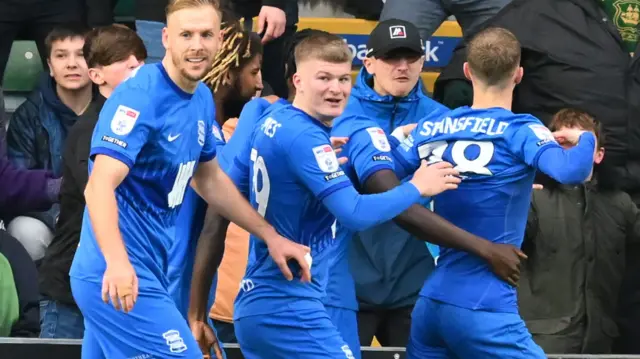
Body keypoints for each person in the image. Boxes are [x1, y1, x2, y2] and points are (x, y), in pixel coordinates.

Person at [69, 1, 310, 358]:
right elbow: (99, 185)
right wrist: (118, 263)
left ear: (219, 41)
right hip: (115, 276)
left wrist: (270, 236)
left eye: (206, 34)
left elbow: (209, 179)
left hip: (148, 272)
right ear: (166, 38)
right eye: (186, 34)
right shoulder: (140, 96)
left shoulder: (198, 98)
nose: (196, 45)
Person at [210, 31, 460, 359]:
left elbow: (230, 185)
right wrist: (418, 187)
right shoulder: (307, 137)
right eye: (324, 78)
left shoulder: (272, 119)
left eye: (343, 79)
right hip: (289, 307)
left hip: (260, 303)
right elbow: (354, 212)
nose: (336, 88)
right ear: (297, 80)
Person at [392, 27, 597, 359]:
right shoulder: (522, 130)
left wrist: (393, 138)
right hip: (484, 308)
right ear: (518, 75)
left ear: (467, 71)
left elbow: (378, 173)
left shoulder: (432, 126)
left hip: (430, 305)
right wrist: (585, 138)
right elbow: (571, 171)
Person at [329, 20, 527, 356]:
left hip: (415, 283)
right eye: (392, 58)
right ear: (370, 62)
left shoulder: (443, 119)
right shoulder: (341, 115)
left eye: (411, 57)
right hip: (351, 282)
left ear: (423, 62)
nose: (403, 67)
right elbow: (382, 195)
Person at [38, 24, 147, 340]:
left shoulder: (141, 122)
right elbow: (105, 194)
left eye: (140, 63)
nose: (136, 70)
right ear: (96, 75)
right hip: (71, 295)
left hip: (118, 284)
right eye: (124, 64)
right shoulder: (91, 130)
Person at [519, 109, 640, 354]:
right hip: (542, 342)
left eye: (581, 143)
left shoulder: (620, 203)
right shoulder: (532, 196)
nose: (573, 152)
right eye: (562, 143)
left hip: (601, 341)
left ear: (598, 155)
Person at [6, 24, 93, 261]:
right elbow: (19, 190)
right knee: (24, 231)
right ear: (50, 67)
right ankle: (40, 296)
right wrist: (61, 219)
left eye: (81, 55)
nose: (72, 64)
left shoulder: (110, 110)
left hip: (101, 218)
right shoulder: (29, 116)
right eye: (61, 55)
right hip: (49, 217)